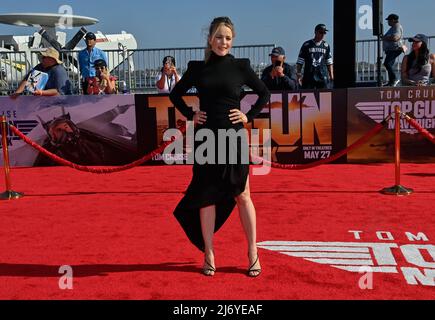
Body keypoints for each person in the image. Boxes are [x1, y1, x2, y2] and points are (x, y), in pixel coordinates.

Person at [169, 16, 270, 277]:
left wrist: (249, 115)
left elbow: (264, 93)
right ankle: (209, 253)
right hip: (206, 139)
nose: (222, 42)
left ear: (232, 39)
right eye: (218, 37)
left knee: (243, 194)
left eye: (227, 37)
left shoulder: (241, 66)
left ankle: (252, 252)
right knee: (206, 197)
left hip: (234, 138)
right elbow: (175, 93)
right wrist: (191, 113)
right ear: (210, 39)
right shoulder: (197, 68)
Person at [296, 24, 334, 89]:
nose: (323, 34)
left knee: (324, 96)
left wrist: (331, 76)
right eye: (321, 32)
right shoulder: (307, 45)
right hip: (309, 76)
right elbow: (300, 61)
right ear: (315, 32)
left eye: (324, 33)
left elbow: (329, 63)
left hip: (322, 76)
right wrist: (298, 74)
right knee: (308, 96)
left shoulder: (326, 46)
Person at [382, 14, 405, 87]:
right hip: (392, 49)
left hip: (395, 49)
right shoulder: (393, 27)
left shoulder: (397, 27)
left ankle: (394, 79)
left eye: (389, 20)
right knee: (389, 64)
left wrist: (385, 38)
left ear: (393, 20)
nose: (388, 22)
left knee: (387, 63)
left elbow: (396, 37)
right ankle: (391, 82)